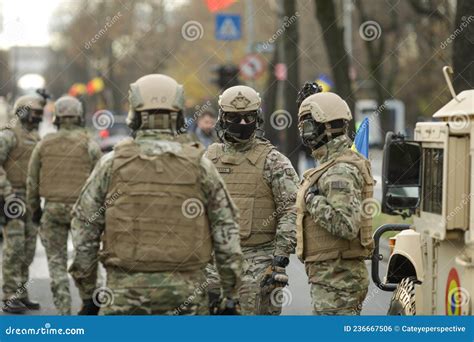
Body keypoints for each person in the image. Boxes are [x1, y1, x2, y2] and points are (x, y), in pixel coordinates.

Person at [68, 74, 242, 315]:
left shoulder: (110, 165)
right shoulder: (200, 166)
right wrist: (230, 296)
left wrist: (89, 295)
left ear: (134, 115)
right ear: (179, 115)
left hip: (124, 298)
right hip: (186, 298)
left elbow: (84, 231)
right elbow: (227, 234)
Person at [205, 85, 298, 315]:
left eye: (248, 117)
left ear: (257, 118)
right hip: (213, 263)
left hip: (259, 260)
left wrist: (280, 257)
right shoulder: (208, 159)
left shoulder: (273, 161)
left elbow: (292, 209)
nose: (243, 123)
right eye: (235, 118)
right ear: (222, 118)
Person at [295, 91, 374, 315]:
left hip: (338, 281)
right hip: (333, 279)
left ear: (327, 127)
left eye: (309, 127)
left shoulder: (339, 170)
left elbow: (346, 225)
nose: (305, 135)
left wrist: (310, 199)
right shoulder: (332, 164)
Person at [26, 96, 102, 315]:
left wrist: (35, 210)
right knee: (85, 259)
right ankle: (89, 301)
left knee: (56, 264)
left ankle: (63, 313)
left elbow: (32, 181)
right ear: (79, 116)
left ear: (57, 117)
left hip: (52, 209)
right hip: (82, 211)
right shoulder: (90, 144)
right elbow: (100, 182)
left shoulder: (44, 144)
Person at [1, 93, 45, 313]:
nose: (38, 117)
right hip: (12, 198)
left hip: (29, 198)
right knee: (14, 247)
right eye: (35, 112)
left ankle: (20, 292)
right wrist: (7, 193)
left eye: (40, 113)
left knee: (28, 248)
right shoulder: (9, 135)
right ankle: (9, 295)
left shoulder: (35, 138)